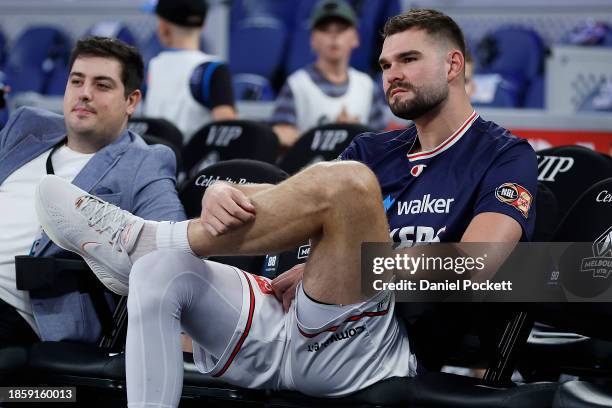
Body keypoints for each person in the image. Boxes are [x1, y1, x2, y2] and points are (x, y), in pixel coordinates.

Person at [35, 8, 537, 405]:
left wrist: (351, 265)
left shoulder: (503, 154)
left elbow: (476, 265)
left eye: (407, 60)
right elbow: (301, 211)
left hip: (382, 348)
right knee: (159, 272)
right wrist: (227, 193)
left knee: (347, 184)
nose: (391, 74)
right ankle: (157, 244)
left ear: (453, 65)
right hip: (295, 320)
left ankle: (152, 236)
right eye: (385, 64)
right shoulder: (374, 148)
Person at [0, 36, 185, 347]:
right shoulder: (27, 126)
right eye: (76, 81)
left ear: (131, 101)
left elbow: (172, 248)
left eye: (102, 85)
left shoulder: (144, 162)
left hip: (18, 312)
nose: (84, 94)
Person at [271, 0, 388, 150]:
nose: (334, 36)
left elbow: (381, 145)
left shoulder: (366, 86)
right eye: (325, 29)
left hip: (357, 171)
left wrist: (355, 132)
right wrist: (336, 134)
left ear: (355, 38)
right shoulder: (296, 85)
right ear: (312, 39)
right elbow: (281, 140)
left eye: (341, 29)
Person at [144, 0, 237, 144]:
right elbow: (227, 127)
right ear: (203, 24)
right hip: (195, 162)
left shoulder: (152, 66)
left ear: (163, 27)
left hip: (154, 160)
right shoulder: (213, 68)